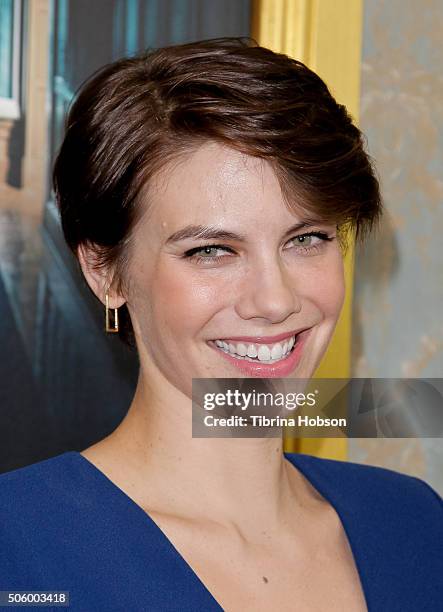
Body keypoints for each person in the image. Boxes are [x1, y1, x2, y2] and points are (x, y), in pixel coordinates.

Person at [0, 38, 441, 612]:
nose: (275, 299)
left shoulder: (413, 523)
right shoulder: (19, 552)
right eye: (212, 251)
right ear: (105, 270)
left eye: (306, 239)